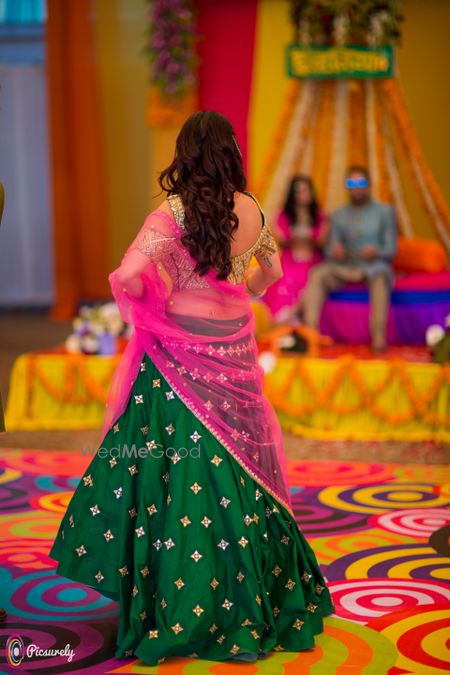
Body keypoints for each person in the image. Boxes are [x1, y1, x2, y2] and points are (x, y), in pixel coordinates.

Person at [49, 111, 334, 665]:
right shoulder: (250, 207)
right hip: (234, 359)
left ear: (184, 153)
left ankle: (182, 598)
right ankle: (254, 595)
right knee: (239, 473)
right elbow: (268, 278)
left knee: (177, 474)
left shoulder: (173, 211)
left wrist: (163, 296)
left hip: (178, 358)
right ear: (230, 153)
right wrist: (232, 285)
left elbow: (128, 276)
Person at [302, 166, 397, 351]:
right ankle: (310, 333)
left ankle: (378, 336)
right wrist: (335, 251)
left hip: (373, 266)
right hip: (346, 266)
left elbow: (391, 249)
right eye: (351, 183)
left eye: (360, 182)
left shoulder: (384, 212)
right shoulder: (339, 215)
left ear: (369, 185)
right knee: (318, 273)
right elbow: (330, 250)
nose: (356, 187)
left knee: (380, 277)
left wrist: (376, 251)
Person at [263, 175, 328, 322]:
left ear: (311, 192)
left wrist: (306, 236)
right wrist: (299, 236)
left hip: (313, 261)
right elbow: (279, 238)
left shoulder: (320, 216)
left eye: (306, 190)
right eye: (298, 191)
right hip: (289, 260)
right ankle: (282, 318)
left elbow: (322, 240)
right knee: (285, 279)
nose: (303, 194)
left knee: (311, 280)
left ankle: (290, 315)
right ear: (292, 194)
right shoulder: (283, 215)